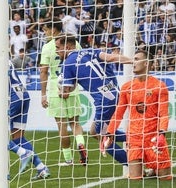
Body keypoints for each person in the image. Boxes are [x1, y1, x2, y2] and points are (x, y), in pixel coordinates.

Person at [0, 26, 50, 180]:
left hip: (11, 96)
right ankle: (41, 168)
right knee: (17, 137)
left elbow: (2, 79)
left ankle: (22, 153)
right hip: (22, 94)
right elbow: (3, 76)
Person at [55, 34, 131, 166]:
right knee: (94, 131)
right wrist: (134, 61)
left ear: (66, 47)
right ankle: (135, 138)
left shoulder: (67, 64)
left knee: (103, 136)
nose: (56, 51)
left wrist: (60, 90)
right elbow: (112, 57)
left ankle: (133, 165)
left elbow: (66, 92)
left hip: (105, 101)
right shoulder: (90, 51)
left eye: (57, 47)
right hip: (117, 94)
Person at [105, 50, 172, 180]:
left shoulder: (159, 86)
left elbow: (164, 114)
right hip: (134, 138)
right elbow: (119, 113)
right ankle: (147, 169)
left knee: (165, 178)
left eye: (136, 59)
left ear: (146, 63)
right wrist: (109, 132)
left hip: (153, 138)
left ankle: (154, 169)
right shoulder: (127, 87)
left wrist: (162, 133)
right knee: (135, 178)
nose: (133, 62)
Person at [40, 17, 87, 166]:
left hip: (55, 88)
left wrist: (43, 94)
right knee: (75, 123)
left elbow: (43, 71)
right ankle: (81, 144)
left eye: (46, 30)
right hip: (72, 86)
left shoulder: (48, 47)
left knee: (62, 126)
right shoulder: (76, 44)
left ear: (53, 30)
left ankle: (68, 159)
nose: (45, 33)